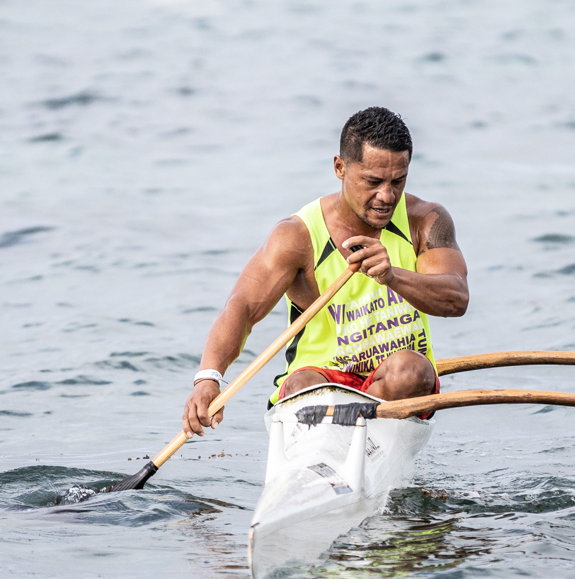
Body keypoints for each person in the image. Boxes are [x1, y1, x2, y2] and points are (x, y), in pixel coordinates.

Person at [182, 107, 469, 438]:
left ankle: (351, 436)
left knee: (412, 371)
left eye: (398, 181)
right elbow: (242, 307)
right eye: (373, 182)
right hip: (322, 380)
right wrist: (208, 378)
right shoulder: (297, 236)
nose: (386, 196)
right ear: (340, 167)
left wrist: (393, 276)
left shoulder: (425, 221)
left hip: (397, 386)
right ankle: (341, 435)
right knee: (301, 385)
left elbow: (456, 297)